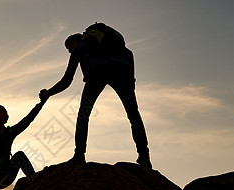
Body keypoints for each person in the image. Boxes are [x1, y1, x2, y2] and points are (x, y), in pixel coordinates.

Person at [39, 23, 152, 168]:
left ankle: (79, 155)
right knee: (134, 115)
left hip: (97, 74)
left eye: (69, 49)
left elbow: (67, 80)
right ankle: (144, 157)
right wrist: (131, 81)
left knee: (83, 115)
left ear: (74, 43)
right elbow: (130, 54)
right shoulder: (114, 45)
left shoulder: (80, 47)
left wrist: (48, 93)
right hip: (122, 72)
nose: (70, 52)